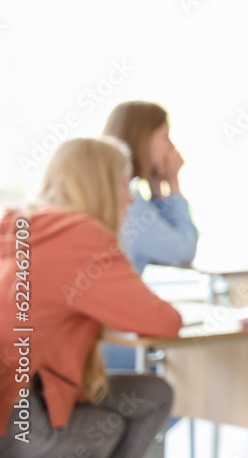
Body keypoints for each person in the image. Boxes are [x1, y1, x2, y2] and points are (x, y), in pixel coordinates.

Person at [0, 137, 183, 457]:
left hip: (23, 388)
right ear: (101, 186)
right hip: (16, 410)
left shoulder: (16, 223)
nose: (129, 200)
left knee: (150, 394)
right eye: (125, 185)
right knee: (107, 426)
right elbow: (165, 323)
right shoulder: (81, 236)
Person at [102, 101, 199, 275]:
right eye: (165, 137)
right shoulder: (127, 199)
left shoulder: (114, 188)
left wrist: (156, 190)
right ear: (143, 139)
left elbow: (158, 234)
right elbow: (184, 250)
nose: (171, 147)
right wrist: (173, 183)